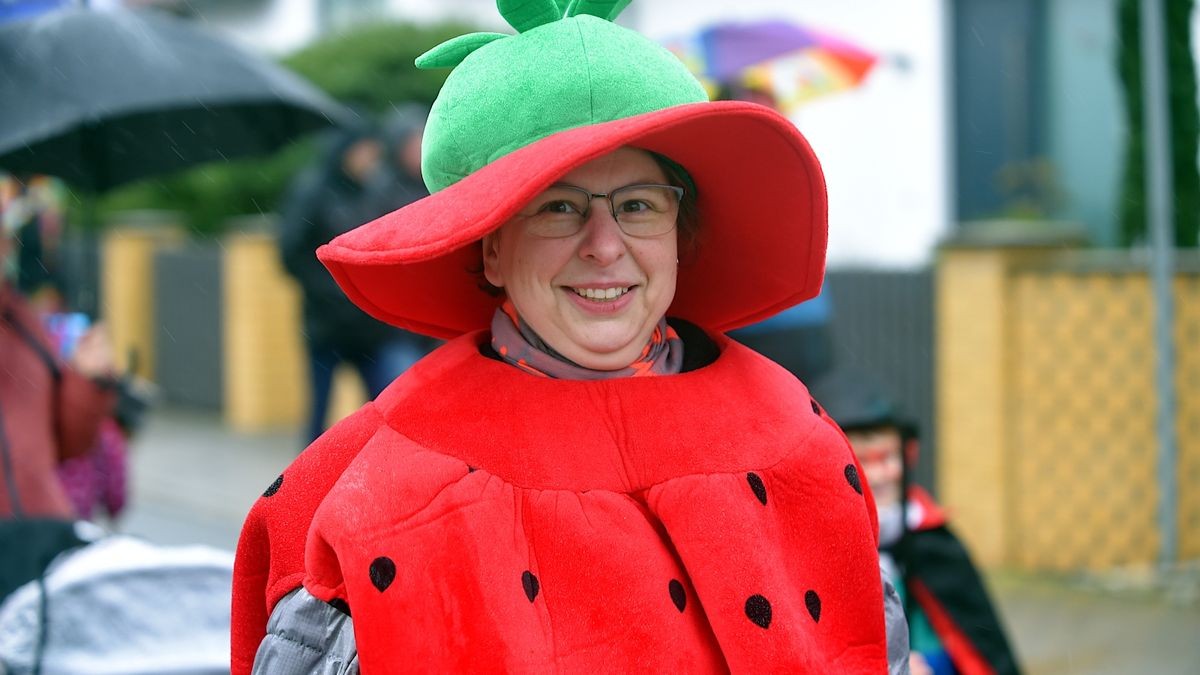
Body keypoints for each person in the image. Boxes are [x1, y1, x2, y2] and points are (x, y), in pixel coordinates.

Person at [233, 1, 900, 672]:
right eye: (558, 207)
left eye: (638, 204)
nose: (605, 246)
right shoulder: (368, 492)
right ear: (490, 247)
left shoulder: (800, 443)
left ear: (679, 236)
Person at [810, 368, 1022, 675]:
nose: (880, 475)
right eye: (863, 461)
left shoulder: (929, 539)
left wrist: (929, 665)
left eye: (887, 458)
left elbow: (973, 647)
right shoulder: (816, 548)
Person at [279, 120, 432, 444]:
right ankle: (308, 485)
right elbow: (292, 255)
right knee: (319, 410)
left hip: (372, 325)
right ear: (345, 152)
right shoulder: (314, 191)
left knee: (389, 404)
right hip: (326, 324)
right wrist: (338, 290)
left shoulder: (377, 191)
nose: (369, 158)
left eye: (373, 152)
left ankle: (383, 472)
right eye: (363, 150)